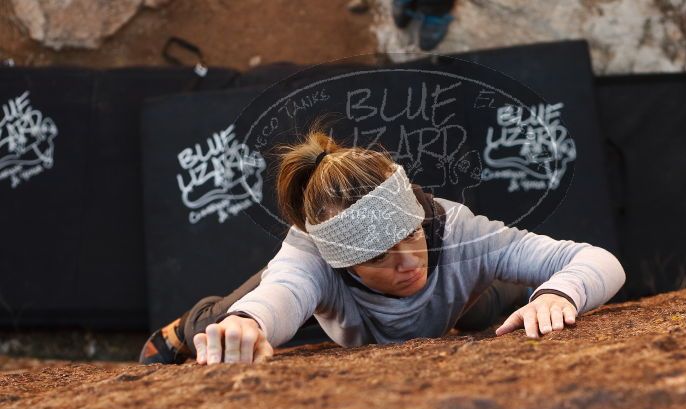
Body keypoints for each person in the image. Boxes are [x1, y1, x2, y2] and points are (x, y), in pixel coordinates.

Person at [139, 128, 626, 366]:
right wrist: (247, 325)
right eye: (377, 257)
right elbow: (282, 293)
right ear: (343, 262)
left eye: (408, 235)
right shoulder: (312, 257)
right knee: (230, 315)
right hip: (339, 308)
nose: (408, 262)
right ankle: (192, 321)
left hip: (460, 295)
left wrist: (559, 294)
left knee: (489, 312)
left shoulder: (453, 231)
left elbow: (597, 260)